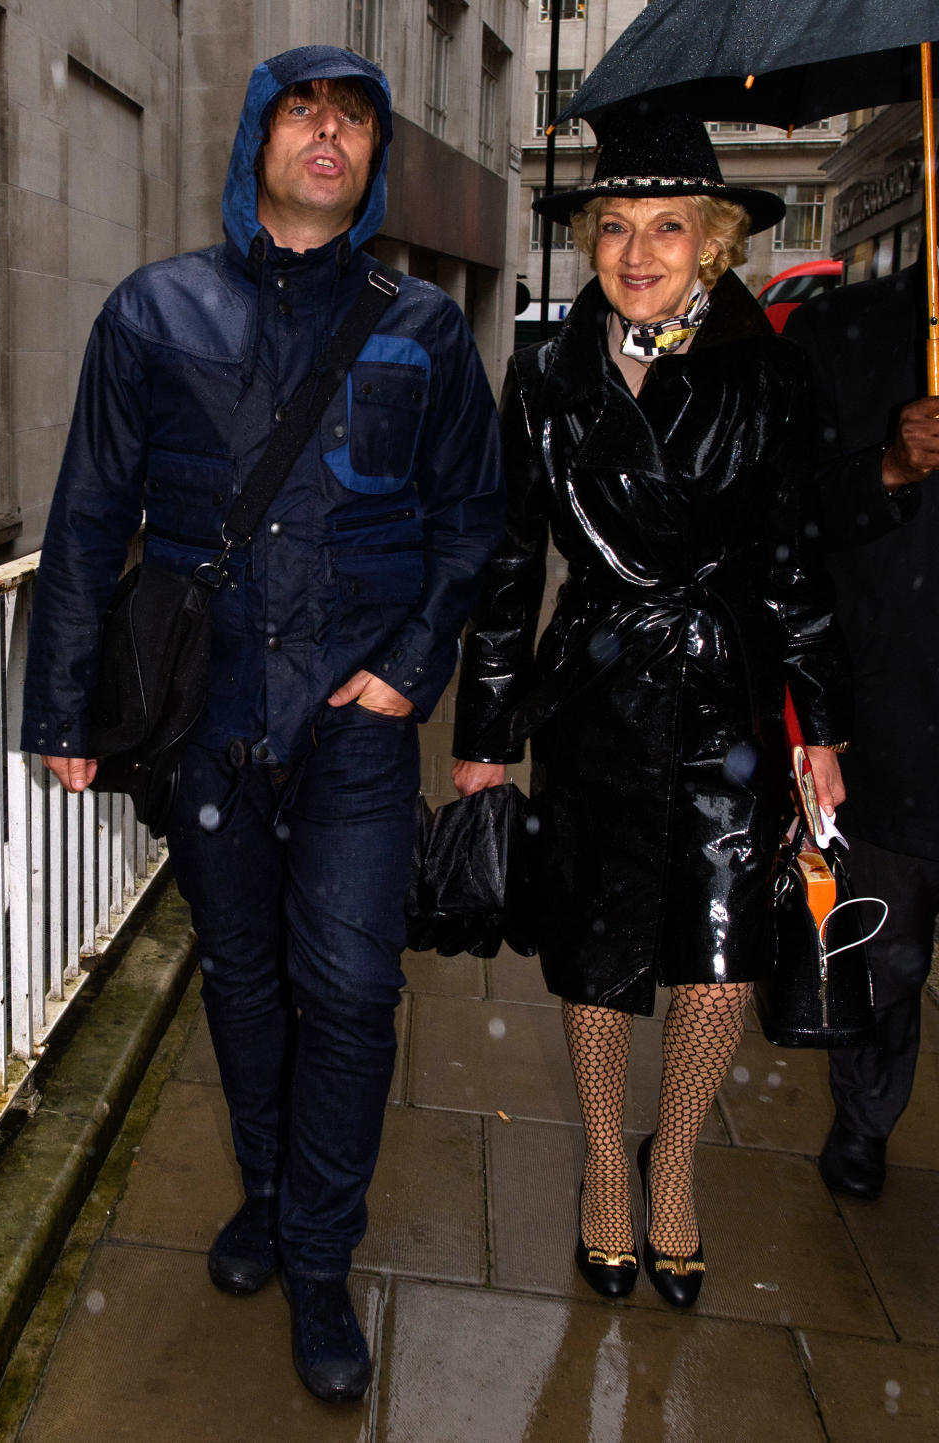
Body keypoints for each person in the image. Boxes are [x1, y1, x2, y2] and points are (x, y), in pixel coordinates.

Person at [20, 46, 503, 1403]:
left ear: (376, 154)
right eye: (306, 112)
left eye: (355, 118)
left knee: (349, 987)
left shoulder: (420, 330)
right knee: (242, 980)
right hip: (210, 720)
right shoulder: (152, 311)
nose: (331, 135)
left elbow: (474, 518)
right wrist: (64, 703)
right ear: (259, 141)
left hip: (356, 721)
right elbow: (89, 516)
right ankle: (274, 1187)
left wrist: (413, 666)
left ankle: (314, 1253)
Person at [452, 109, 851, 1309]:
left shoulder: (768, 370)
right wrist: (485, 735)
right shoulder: (545, 375)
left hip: (727, 693)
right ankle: (604, 1179)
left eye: (668, 227)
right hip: (598, 695)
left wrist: (819, 729)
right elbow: (512, 563)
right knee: (598, 953)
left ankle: (670, 1157)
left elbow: (795, 565)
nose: (637, 252)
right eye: (615, 226)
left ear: (715, 241)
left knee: (722, 962)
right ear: (589, 239)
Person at [785, 252, 939, 1200]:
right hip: (892, 704)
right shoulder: (850, 329)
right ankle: (866, 1113)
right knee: (885, 946)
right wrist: (888, 465)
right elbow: (792, 516)